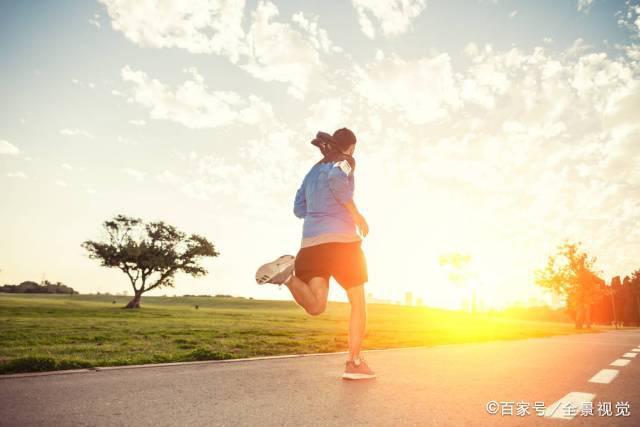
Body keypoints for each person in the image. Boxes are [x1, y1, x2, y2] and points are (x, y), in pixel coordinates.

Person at [255, 127, 375, 380]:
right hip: (341, 243)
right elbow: (337, 183)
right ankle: (354, 363)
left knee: (317, 305)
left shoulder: (311, 172)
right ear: (351, 146)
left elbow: (299, 207)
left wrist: (317, 211)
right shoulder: (345, 161)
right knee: (358, 304)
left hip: (310, 243)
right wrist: (356, 214)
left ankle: (287, 277)